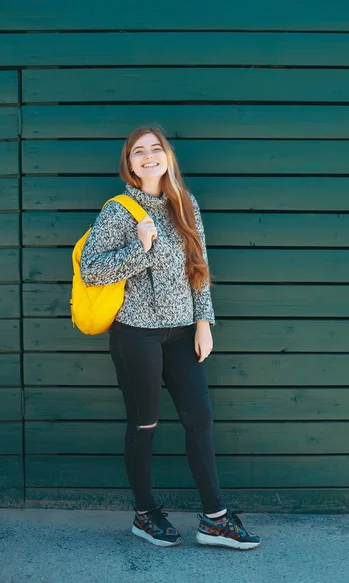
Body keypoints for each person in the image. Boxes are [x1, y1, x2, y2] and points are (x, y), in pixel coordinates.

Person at [80, 125, 261, 550]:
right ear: (129, 162)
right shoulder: (118, 212)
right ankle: (144, 514)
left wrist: (204, 323)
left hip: (183, 333)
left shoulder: (185, 203)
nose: (147, 157)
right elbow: (91, 270)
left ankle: (215, 519)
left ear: (167, 156)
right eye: (138, 151)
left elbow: (198, 263)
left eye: (155, 149)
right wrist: (138, 249)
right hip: (135, 334)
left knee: (199, 419)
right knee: (144, 424)